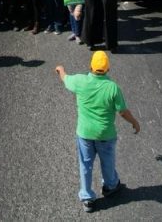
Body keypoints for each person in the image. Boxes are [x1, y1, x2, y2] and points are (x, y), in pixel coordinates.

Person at [55, 52, 140, 213]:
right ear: (108, 68)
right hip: (105, 135)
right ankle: (110, 186)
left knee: (85, 164)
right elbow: (122, 112)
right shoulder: (112, 87)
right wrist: (134, 122)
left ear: (91, 66)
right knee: (107, 162)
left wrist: (60, 70)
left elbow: (65, 79)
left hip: (84, 134)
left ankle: (87, 198)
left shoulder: (80, 81)